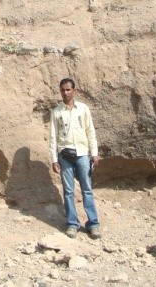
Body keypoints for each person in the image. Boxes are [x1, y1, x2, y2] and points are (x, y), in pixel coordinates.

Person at [48, 77, 101, 239]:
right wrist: (54, 159)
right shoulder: (56, 112)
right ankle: (72, 224)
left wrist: (94, 153)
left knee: (87, 189)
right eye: (63, 90)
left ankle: (93, 224)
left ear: (74, 90)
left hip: (82, 154)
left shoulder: (83, 109)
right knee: (69, 191)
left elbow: (90, 131)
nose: (65, 92)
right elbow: (53, 138)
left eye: (68, 89)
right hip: (65, 155)